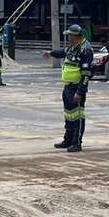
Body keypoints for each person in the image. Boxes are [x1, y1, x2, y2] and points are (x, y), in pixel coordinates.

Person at [42, 23, 93, 152]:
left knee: (78, 116)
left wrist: (80, 92)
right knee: (69, 115)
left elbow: (86, 74)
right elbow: (62, 53)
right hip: (68, 87)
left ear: (78, 36)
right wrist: (51, 53)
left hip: (77, 88)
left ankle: (77, 143)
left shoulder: (85, 50)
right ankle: (68, 140)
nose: (69, 38)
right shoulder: (72, 48)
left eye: (71, 36)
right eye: (69, 35)